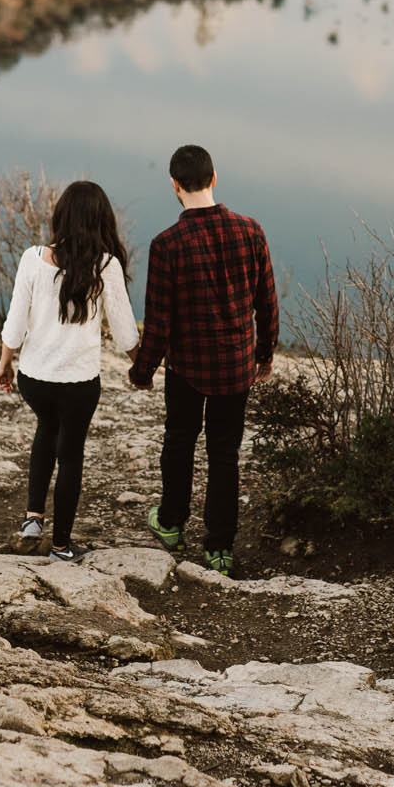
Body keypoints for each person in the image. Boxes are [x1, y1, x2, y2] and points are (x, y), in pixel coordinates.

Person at [128, 144, 278, 576]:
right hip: (235, 367)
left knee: (179, 442)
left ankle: (172, 524)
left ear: (174, 186)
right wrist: (264, 354)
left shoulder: (166, 245)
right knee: (224, 454)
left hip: (186, 369)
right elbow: (266, 303)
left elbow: (158, 322)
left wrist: (142, 372)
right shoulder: (251, 231)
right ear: (215, 179)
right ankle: (219, 548)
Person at [0, 180, 138, 563]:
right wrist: (142, 365)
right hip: (78, 384)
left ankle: (32, 519)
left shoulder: (32, 257)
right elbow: (125, 331)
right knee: (70, 455)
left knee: (46, 428)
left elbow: (16, 319)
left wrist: (5, 360)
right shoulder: (106, 265)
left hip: (35, 379)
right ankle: (61, 546)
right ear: (101, 220)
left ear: (61, 217)